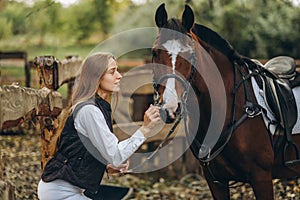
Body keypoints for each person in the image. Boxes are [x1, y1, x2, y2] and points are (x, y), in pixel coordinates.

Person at [37, 52, 162, 200]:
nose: (119, 76)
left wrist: (104, 167)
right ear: (96, 77)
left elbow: (80, 151)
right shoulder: (89, 110)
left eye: (117, 70)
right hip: (60, 193)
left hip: (73, 191)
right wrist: (145, 129)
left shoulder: (96, 107)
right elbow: (116, 155)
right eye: (112, 71)